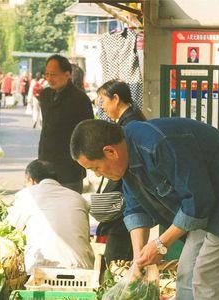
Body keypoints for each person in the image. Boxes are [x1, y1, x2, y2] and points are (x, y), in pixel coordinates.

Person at [70, 118, 219, 300]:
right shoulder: (127, 155)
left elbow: (197, 202)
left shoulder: (156, 144)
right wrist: (138, 261)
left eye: (95, 168)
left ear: (110, 152)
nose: (97, 175)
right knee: (187, 274)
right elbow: (135, 209)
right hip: (208, 205)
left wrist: (161, 244)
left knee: (207, 280)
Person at [5, 159, 94, 274]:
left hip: (41, 272)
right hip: (84, 271)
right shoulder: (78, 198)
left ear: (31, 181)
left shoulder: (27, 195)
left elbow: (10, 228)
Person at [93, 79, 146, 264]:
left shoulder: (128, 126)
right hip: (127, 200)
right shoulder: (130, 120)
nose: (102, 106)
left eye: (103, 101)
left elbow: (122, 167)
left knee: (117, 257)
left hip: (124, 201)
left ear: (116, 99)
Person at [39, 54, 94, 193]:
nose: (49, 78)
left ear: (67, 74)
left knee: (69, 208)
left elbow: (87, 133)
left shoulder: (80, 99)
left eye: (54, 74)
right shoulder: (44, 95)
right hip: (46, 163)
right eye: (47, 74)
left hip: (70, 167)